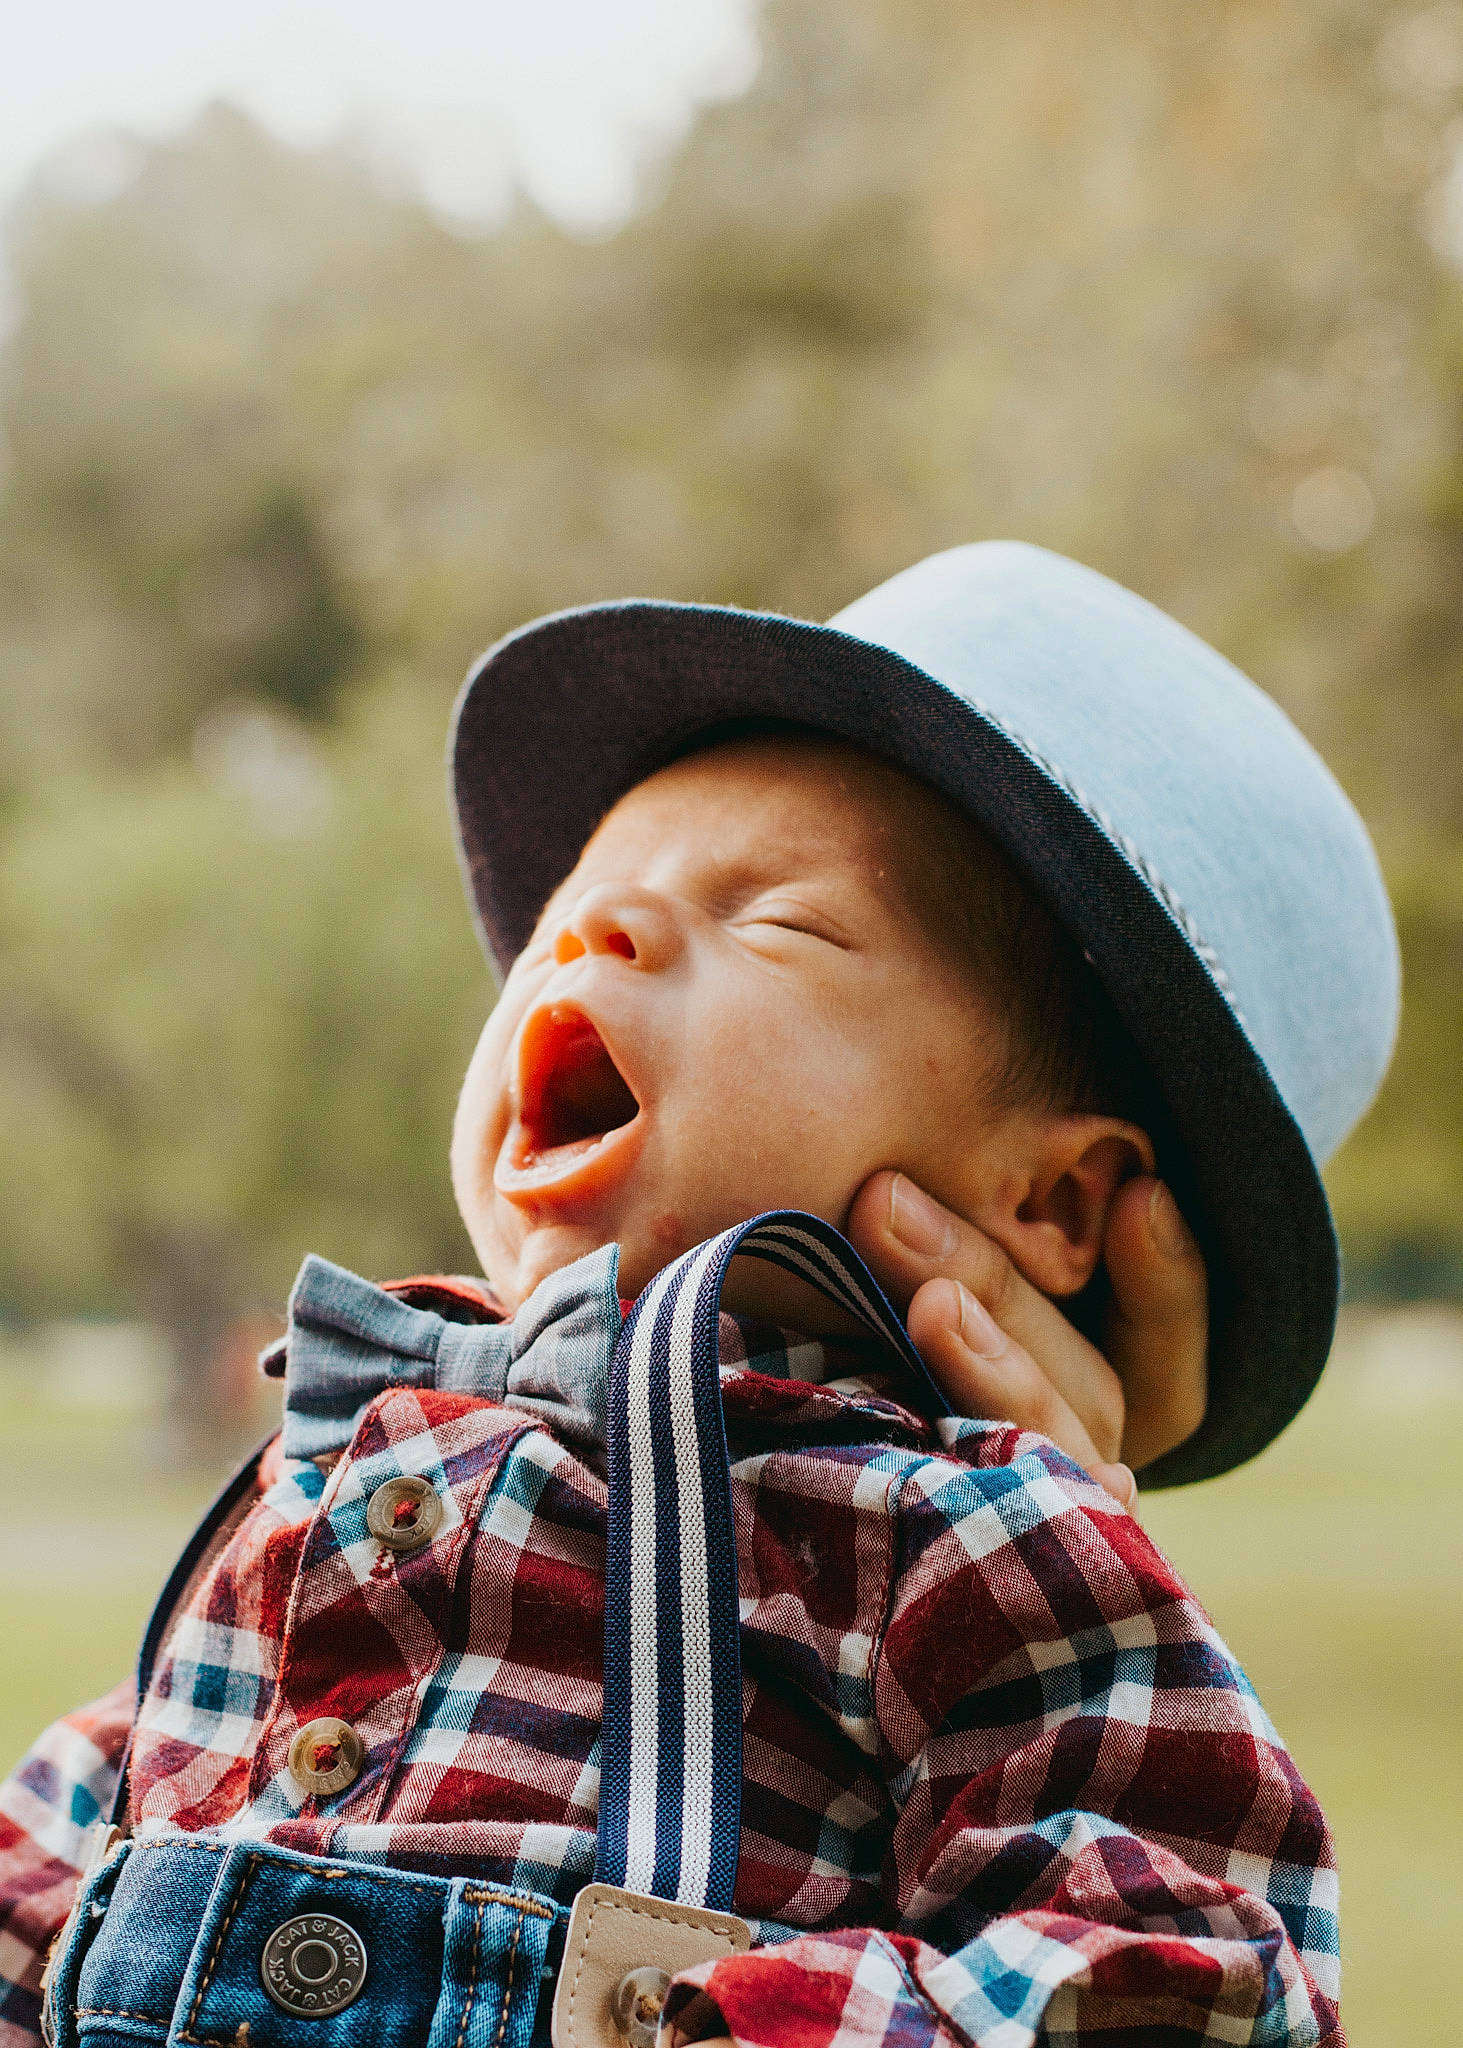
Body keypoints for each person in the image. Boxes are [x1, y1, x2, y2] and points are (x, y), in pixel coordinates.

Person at [0, 543, 1396, 2048]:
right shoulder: (354, 1466)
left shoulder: (943, 1541)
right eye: (567, 917)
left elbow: (1185, 1972)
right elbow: (92, 1841)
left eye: (782, 922)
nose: (597, 934)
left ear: (1050, 1203)